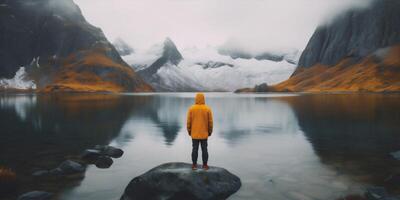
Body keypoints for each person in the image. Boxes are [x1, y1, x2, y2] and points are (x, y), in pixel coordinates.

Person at [186, 93, 213, 170]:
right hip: (204, 134)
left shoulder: (191, 109)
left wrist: (189, 131)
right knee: (204, 149)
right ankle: (205, 165)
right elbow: (210, 122)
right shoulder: (207, 109)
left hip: (194, 134)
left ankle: (194, 165)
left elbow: (188, 122)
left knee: (195, 149)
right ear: (203, 99)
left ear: (196, 99)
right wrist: (210, 131)